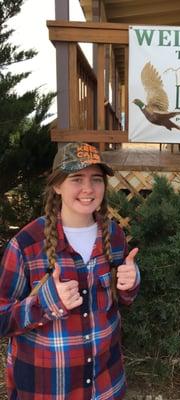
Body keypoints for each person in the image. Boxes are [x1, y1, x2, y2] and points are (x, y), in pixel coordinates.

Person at [0, 142, 140, 400]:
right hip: (48, 388)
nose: (88, 189)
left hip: (105, 386)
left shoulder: (114, 235)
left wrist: (130, 284)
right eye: (77, 178)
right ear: (57, 185)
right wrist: (46, 302)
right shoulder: (26, 245)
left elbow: (121, 300)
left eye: (96, 179)